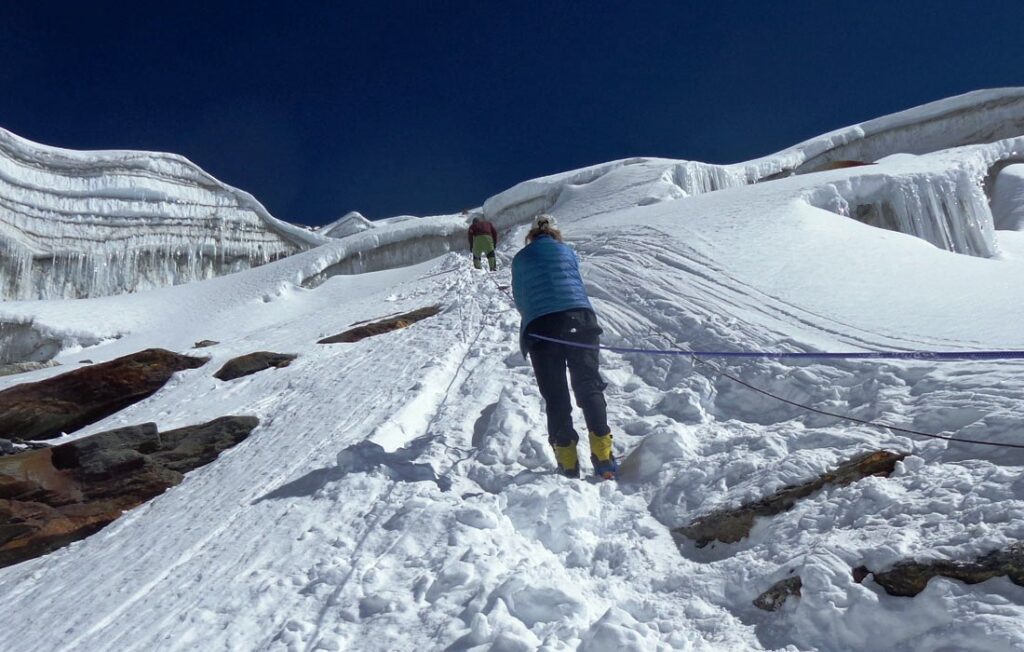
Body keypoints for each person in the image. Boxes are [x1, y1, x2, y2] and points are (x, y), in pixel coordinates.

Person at [511, 213, 617, 479]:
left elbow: (520, 299)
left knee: (555, 395)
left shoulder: (520, 259)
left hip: (541, 327)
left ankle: (568, 462)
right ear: (555, 234)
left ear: (530, 236)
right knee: (588, 383)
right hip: (580, 320)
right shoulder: (566, 252)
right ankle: (603, 455)